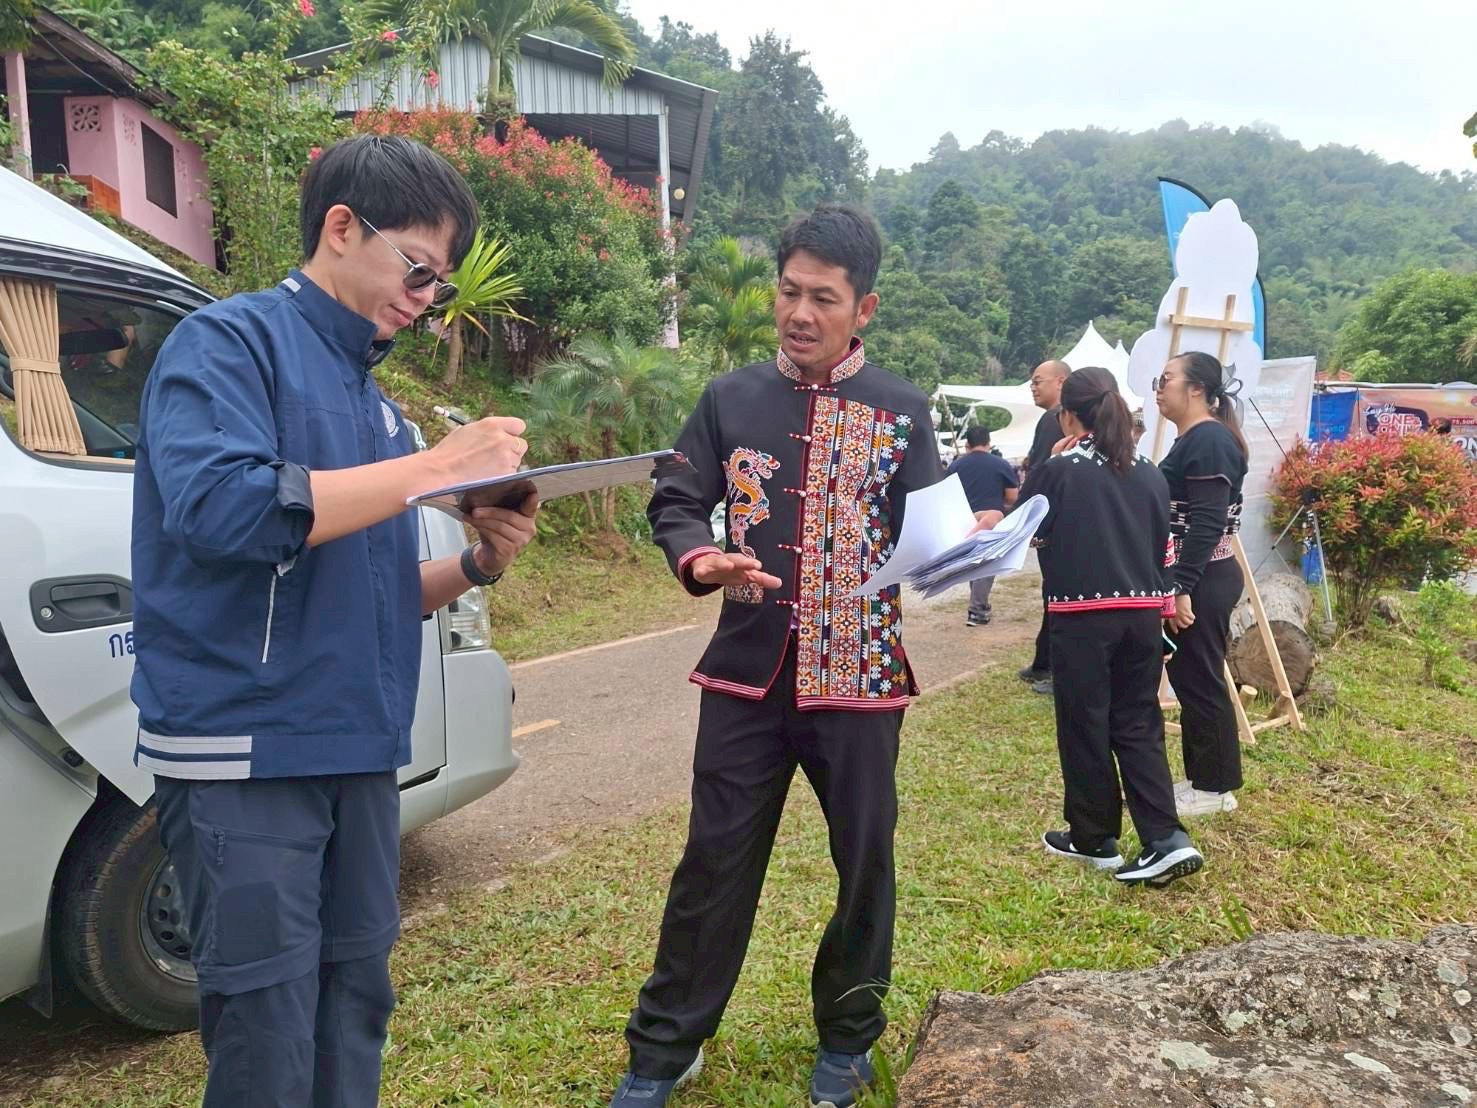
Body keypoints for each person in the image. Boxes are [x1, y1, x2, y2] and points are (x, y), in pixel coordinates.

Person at [130, 135, 537, 1106]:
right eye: (419, 267)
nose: (427, 295)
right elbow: (225, 509)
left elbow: (377, 589)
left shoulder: (379, 410)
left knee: (354, 1000)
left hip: (356, 750)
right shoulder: (228, 344)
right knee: (266, 1031)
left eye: (440, 282)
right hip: (249, 751)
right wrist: (437, 469)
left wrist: (478, 557)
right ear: (342, 227)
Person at [611, 205, 943, 1108]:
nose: (800, 312)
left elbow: (934, 538)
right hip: (746, 673)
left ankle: (846, 1039)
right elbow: (675, 499)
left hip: (862, 673)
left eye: (823, 299)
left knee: (864, 859)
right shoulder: (729, 399)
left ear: (862, 308)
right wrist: (699, 555)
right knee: (712, 860)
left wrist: (972, 546)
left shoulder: (906, 413)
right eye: (789, 291)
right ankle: (662, 1049)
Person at [1005, 366, 1204, 886]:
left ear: (1066, 415)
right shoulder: (1150, 473)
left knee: (1084, 723)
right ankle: (1165, 838)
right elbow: (1166, 548)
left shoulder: (1061, 469)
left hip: (1082, 617)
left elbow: (1023, 535)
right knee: (1138, 722)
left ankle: (1094, 839)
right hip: (1142, 617)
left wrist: (1042, 471)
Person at [1153, 351, 1250, 818]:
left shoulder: (1209, 439)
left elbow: (1208, 520)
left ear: (1196, 389)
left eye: (1167, 378)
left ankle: (1214, 788)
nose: (1159, 387)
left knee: (1201, 678)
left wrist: (1182, 585)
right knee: (1191, 677)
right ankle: (1202, 779)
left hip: (1203, 576)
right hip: (1196, 574)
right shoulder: (1195, 438)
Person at [1019, 359, 1071, 694]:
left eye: (1039, 381)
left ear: (1061, 382)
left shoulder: (1056, 418)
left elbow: (1042, 473)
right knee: (1052, 593)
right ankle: (1044, 662)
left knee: (1058, 594)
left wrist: (1020, 518)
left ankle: (1052, 667)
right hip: (1062, 521)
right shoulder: (1054, 418)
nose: (1034, 387)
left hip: (1058, 522)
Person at [945, 425, 1019, 625]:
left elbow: (948, 494)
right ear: (989, 443)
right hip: (992, 519)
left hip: (966, 520)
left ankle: (979, 606)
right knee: (986, 565)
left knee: (975, 563)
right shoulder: (1001, 464)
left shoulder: (956, 466)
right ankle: (977, 610)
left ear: (967, 444)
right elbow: (1012, 497)